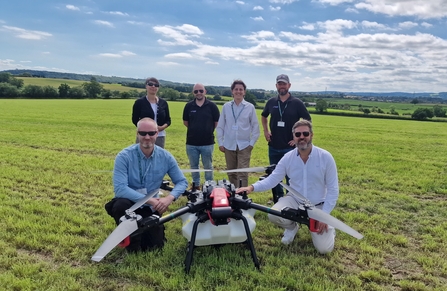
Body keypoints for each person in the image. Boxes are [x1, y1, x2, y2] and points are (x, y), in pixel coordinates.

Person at [236, 120, 338, 254]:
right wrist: (251, 188)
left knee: (324, 250)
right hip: (294, 199)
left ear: (311, 135)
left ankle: (330, 229)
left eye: (305, 133)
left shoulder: (325, 157)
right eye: (298, 134)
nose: (302, 137)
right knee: (274, 214)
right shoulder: (287, 158)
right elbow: (273, 179)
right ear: (294, 137)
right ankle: (291, 228)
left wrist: (324, 216)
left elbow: (333, 189)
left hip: (318, 204)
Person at [105, 118, 188, 253]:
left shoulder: (166, 157)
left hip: (150, 207)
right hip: (130, 204)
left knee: (155, 246)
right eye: (143, 133)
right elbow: (120, 188)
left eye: (151, 133)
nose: (147, 137)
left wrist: (168, 199)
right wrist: (150, 200)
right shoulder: (124, 156)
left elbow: (182, 182)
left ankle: (138, 233)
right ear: (137, 134)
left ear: (157, 133)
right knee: (120, 205)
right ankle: (130, 246)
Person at [261, 74, 311, 203]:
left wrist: (297, 138)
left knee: (291, 176)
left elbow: (307, 120)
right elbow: (264, 116)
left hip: (290, 148)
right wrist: (266, 131)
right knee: (274, 174)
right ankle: (278, 199)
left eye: (284, 84)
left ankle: (291, 199)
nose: (282, 86)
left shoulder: (297, 103)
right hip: (273, 146)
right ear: (276, 86)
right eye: (279, 84)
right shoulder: (271, 102)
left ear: (289, 85)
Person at [216, 79, 260, 187]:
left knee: (242, 173)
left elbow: (255, 126)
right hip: (228, 145)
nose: (238, 91)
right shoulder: (226, 107)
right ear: (232, 91)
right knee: (231, 172)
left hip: (244, 145)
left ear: (244, 92)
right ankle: (233, 195)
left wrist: (251, 144)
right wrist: (220, 143)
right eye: (236, 89)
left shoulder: (250, 107)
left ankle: (242, 197)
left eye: (241, 89)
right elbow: (220, 126)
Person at [182, 83, 220, 190]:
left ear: (205, 91)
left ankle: (209, 186)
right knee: (194, 166)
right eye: (196, 91)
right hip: (191, 143)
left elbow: (216, 122)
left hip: (207, 143)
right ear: (193, 93)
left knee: (208, 167)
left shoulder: (212, 106)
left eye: (201, 91)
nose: (198, 93)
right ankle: (196, 185)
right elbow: (186, 122)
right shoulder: (189, 106)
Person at [132, 77, 171, 148]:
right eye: (150, 84)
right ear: (146, 86)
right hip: (144, 136)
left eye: (156, 85)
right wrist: (145, 129)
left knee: (158, 157)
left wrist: (162, 127)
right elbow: (135, 120)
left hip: (159, 136)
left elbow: (168, 120)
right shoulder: (139, 102)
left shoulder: (163, 103)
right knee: (141, 156)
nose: (153, 86)